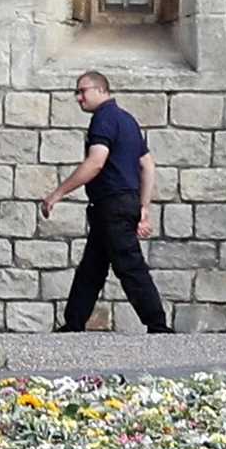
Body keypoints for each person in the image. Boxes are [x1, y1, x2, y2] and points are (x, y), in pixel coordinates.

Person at [40, 71, 172, 334]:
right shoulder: (127, 120)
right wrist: (143, 207)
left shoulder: (104, 119)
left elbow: (96, 162)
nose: (79, 98)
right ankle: (74, 323)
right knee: (92, 266)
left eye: (83, 91)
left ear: (101, 90)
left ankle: (158, 326)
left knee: (129, 265)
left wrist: (57, 193)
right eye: (77, 92)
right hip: (116, 205)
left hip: (112, 205)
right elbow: (147, 165)